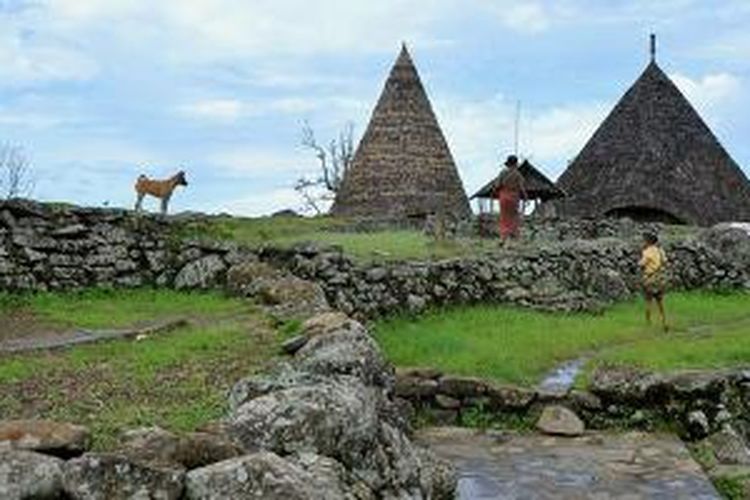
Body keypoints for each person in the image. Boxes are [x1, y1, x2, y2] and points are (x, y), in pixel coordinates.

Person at [639, 232, 669, 332]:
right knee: (660, 302)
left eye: (644, 240)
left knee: (648, 301)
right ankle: (664, 321)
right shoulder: (660, 251)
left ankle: (648, 322)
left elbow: (641, 264)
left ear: (647, 242)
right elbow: (665, 261)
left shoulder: (647, 252)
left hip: (650, 279)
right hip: (660, 278)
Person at [496, 155, 527, 240]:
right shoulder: (518, 175)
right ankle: (513, 235)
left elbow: (497, 185)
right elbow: (521, 188)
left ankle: (503, 236)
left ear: (508, 164)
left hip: (504, 195)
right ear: (516, 164)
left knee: (504, 216)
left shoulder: (502, 173)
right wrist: (525, 197)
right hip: (514, 196)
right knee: (514, 216)